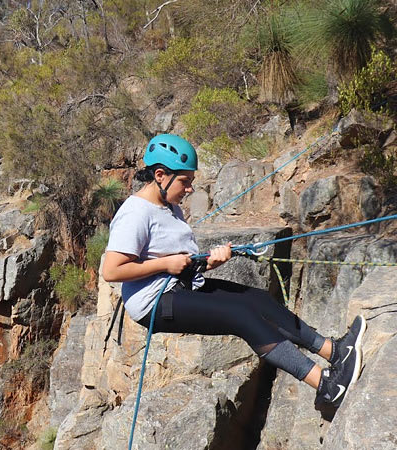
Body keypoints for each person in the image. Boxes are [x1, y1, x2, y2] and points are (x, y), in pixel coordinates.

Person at [101, 134, 366, 408]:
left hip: (181, 287)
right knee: (241, 316)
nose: (190, 189)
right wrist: (165, 264)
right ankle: (325, 384)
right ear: (160, 175)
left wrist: (211, 262)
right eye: (185, 181)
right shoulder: (135, 213)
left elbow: (181, 259)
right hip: (155, 304)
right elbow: (112, 270)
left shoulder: (171, 208)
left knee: (258, 299)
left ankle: (333, 351)